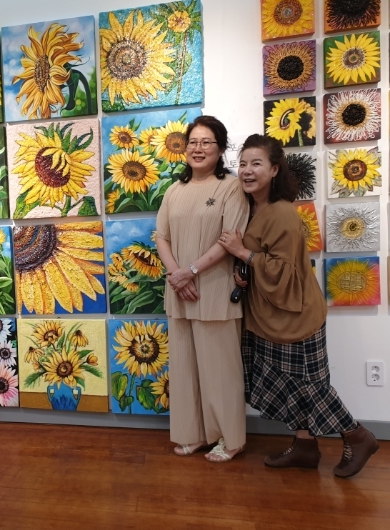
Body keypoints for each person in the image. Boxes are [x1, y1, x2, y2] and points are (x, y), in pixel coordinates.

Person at [219, 134, 379, 477]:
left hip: (295, 315)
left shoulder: (282, 214)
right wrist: (243, 270)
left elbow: (286, 273)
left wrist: (242, 253)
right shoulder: (250, 208)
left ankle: (358, 436)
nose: (247, 171)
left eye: (256, 163)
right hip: (270, 314)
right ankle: (305, 446)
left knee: (310, 387)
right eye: (243, 164)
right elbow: (263, 259)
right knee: (290, 386)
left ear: (275, 169)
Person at [155, 115, 250, 462]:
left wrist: (191, 271)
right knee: (184, 370)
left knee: (220, 371)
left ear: (220, 148)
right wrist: (177, 275)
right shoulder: (174, 191)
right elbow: (161, 236)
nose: (198, 148)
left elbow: (230, 239)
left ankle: (231, 439)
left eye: (206, 142)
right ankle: (192, 434)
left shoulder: (231, 187)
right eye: (192, 142)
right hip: (180, 291)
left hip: (214, 290)